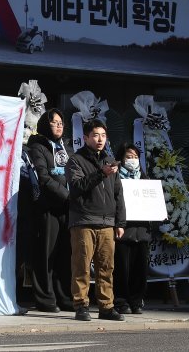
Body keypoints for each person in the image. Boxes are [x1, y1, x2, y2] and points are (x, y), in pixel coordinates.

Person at [65, 119, 126, 322]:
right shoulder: (76, 160)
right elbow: (77, 187)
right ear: (86, 138)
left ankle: (106, 306)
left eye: (103, 135)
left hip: (107, 222)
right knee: (81, 266)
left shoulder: (110, 160)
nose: (100, 139)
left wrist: (120, 223)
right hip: (83, 220)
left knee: (106, 267)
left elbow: (118, 194)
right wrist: (101, 173)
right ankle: (81, 305)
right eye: (95, 135)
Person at [27, 109, 73, 313]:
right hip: (48, 208)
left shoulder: (67, 147)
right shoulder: (38, 146)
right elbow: (43, 178)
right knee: (46, 254)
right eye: (54, 122)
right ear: (46, 124)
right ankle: (45, 298)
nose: (59, 126)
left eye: (61, 122)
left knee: (65, 255)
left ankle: (65, 297)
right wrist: (66, 195)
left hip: (69, 210)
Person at [113, 143, 150, 315]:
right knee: (122, 268)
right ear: (121, 158)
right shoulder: (116, 178)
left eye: (135, 157)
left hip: (141, 230)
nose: (133, 160)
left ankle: (136, 301)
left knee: (140, 269)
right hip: (123, 230)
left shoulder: (144, 178)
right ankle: (121, 302)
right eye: (129, 156)